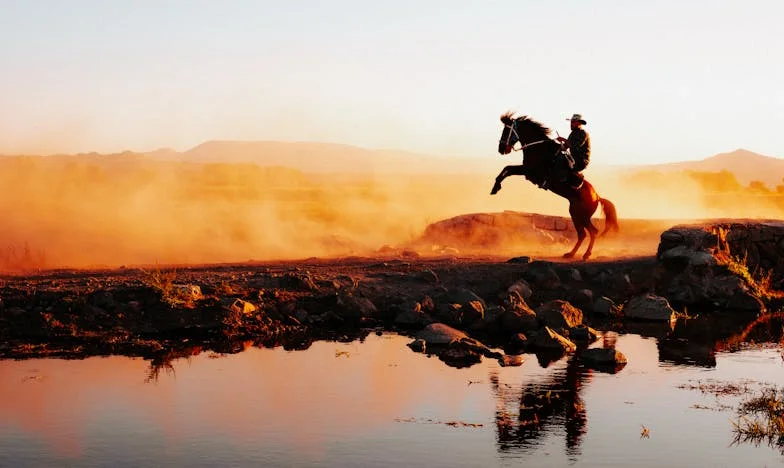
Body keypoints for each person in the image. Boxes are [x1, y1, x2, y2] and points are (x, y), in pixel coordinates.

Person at [554, 114, 591, 188]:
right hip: (573, 158)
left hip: (581, 161)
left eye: (573, 122)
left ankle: (562, 181)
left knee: (561, 160)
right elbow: (566, 146)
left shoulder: (583, 134)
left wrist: (563, 139)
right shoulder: (573, 133)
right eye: (571, 122)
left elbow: (575, 146)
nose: (571, 124)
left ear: (580, 123)